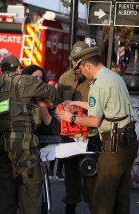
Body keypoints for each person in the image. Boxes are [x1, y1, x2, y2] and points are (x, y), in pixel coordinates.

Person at [57, 42, 138, 214]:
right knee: (120, 196)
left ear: (87, 65)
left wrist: (70, 117)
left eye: (81, 68)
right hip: (128, 140)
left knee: (103, 196)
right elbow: (104, 106)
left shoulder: (98, 84)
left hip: (114, 143)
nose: (81, 72)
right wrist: (75, 102)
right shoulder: (113, 77)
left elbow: (94, 121)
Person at [0, 55, 60, 214]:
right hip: (24, 145)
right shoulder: (26, 81)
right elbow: (53, 94)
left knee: (4, 191)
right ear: (18, 69)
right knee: (31, 190)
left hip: (1, 146)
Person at [57, 41, 102, 214]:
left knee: (91, 172)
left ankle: (93, 205)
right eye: (73, 59)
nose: (74, 63)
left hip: (91, 133)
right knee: (70, 173)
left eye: (78, 60)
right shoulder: (65, 78)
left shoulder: (96, 79)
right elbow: (58, 104)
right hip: (69, 135)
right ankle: (70, 205)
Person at [23, 65, 64, 180]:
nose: (38, 81)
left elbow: (52, 124)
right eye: (35, 77)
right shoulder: (29, 99)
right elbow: (51, 124)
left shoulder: (43, 100)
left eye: (41, 78)